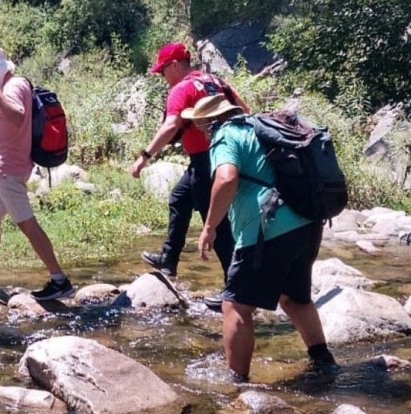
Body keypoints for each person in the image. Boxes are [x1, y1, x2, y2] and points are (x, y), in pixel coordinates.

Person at [191, 95, 337, 381]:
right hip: (306, 222)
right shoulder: (260, 128)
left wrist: (210, 226)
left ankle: (237, 383)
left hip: (267, 230)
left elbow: (226, 178)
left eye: (198, 125)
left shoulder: (226, 134)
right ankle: (324, 362)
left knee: (235, 305)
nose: (198, 130)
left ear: (209, 122)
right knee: (294, 298)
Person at [130, 42, 246, 299]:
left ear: (174, 65)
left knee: (216, 223)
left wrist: (144, 157)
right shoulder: (216, 81)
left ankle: (234, 289)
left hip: (208, 163)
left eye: (162, 71)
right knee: (179, 198)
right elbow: (245, 112)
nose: (162, 77)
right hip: (223, 157)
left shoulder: (181, 88)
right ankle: (169, 259)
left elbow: (171, 125)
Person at [0, 44, 75, 301]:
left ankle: (59, 281)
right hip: (5, 170)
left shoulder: (12, 86)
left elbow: (18, 117)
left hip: (10, 170)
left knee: (28, 225)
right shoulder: (9, 88)